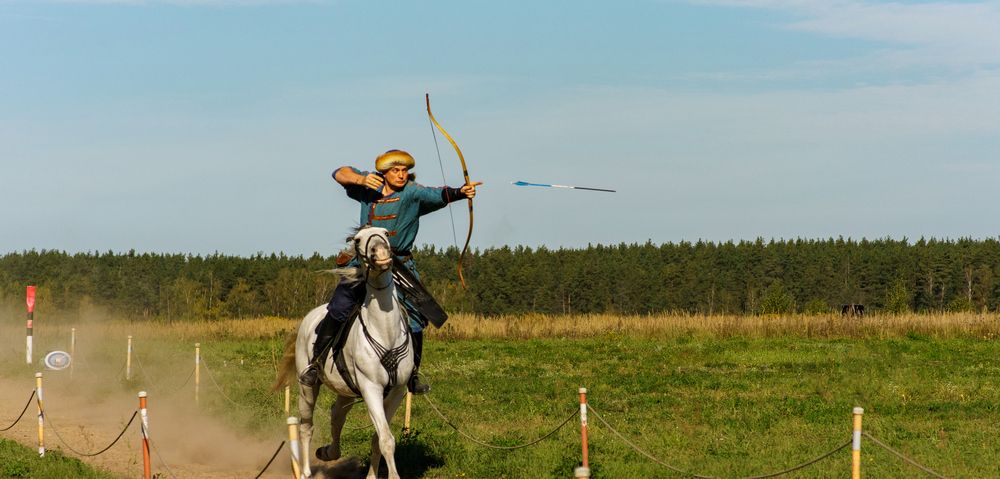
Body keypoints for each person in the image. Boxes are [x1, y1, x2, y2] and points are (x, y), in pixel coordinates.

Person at [299, 149, 481, 393]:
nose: (401, 175)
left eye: (404, 170)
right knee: (340, 307)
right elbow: (339, 173)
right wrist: (360, 180)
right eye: (395, 171)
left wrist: (461, 192)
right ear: (383, 173)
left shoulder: (412, 193)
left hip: (399, 266)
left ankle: (412, 374)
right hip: (363, 264)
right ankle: (315, 363)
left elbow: (439, 194)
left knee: (417, 315)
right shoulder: (368, 185)